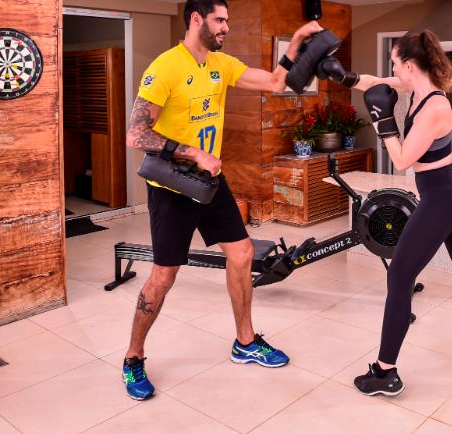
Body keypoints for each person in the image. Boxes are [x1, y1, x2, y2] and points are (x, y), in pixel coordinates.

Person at [319, 30, 452, 396]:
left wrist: (382, 121)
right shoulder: (417, 88)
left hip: (443, 197)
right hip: (450, 191)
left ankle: (385, 371)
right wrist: (345, 78)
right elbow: (378, 83)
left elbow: (404, 159)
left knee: (400, 277)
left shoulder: (434, 106)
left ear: (409, 65)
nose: (391, 70)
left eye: (394, 63)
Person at [122, 0, 323, 400]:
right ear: (196, 20)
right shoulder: (165, 67)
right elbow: (136, 135)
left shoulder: (221, 64)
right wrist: (192, 151)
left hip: (210, 183)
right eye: (219, 20)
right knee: (164, 276)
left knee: (243, 252)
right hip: (172, 189)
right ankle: (133, 358)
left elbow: (273, 82)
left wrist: (297, 41)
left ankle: (245, 343)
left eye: (227, 20)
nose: (226, 27)